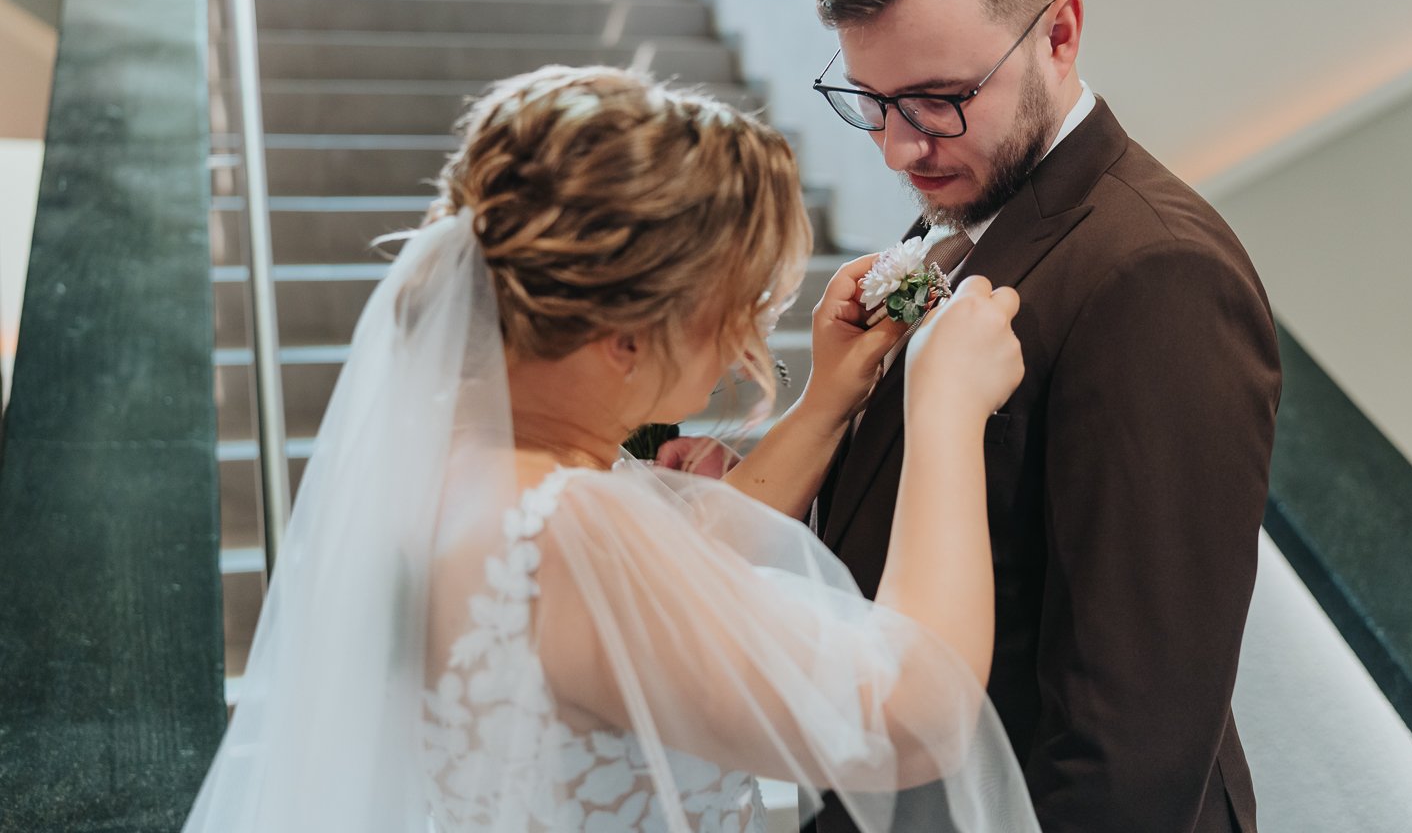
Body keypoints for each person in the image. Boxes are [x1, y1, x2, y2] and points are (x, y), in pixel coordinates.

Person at [181, 65, 1043, 833]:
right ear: (627, 336)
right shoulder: (566, 533)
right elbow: (912, 715)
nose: (744, 344)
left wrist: (827, 401)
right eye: (733, 304)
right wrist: (943, 404)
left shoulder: (458, 470)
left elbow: (674, 577)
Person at [793, 0, 1282, 833]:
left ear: (1060, 34)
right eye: (872, 102)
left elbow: (1130, 742)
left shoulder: (1158, 276)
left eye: (938, 99)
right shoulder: (971, 205)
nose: (898, 147)